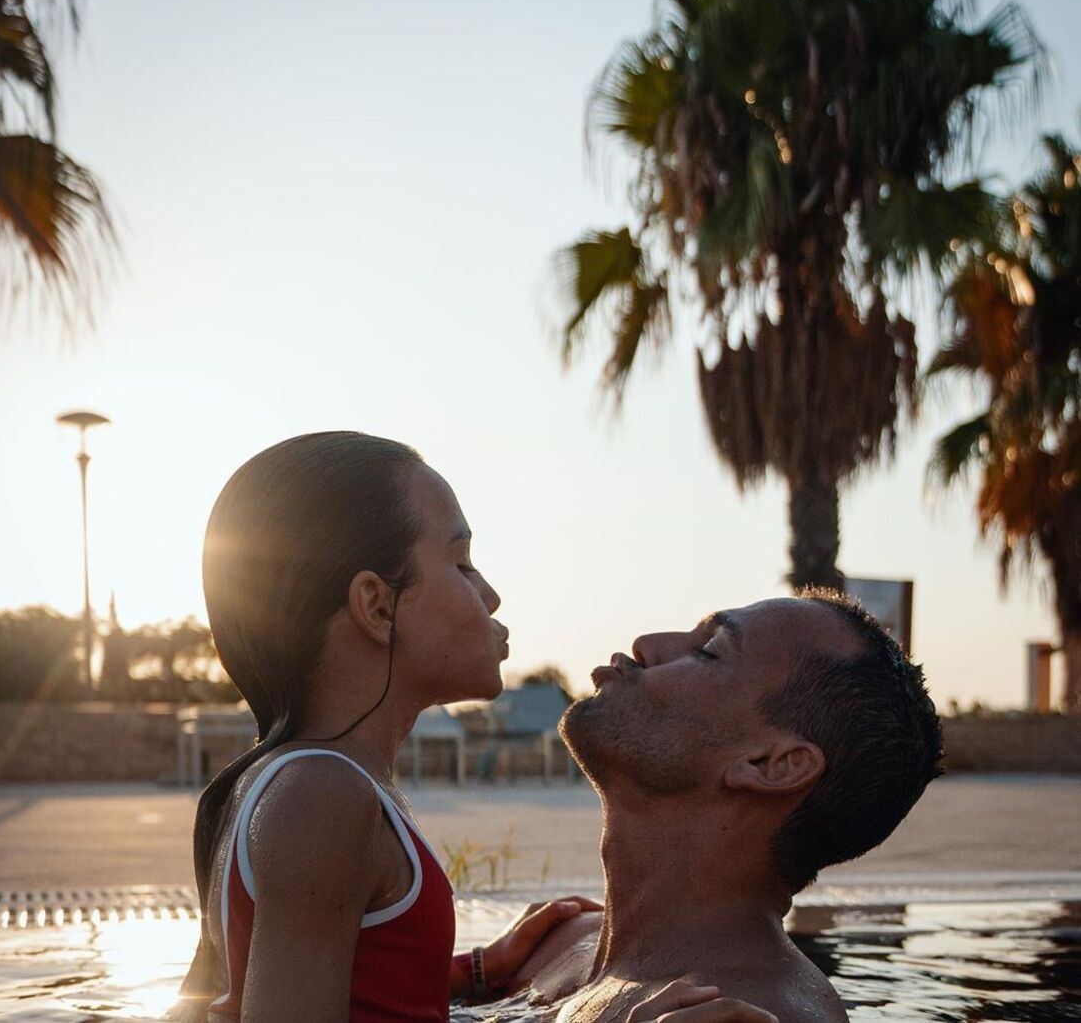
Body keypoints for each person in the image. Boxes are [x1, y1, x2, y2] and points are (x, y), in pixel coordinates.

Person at [175, 431, 771, 1023]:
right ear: (378, 607)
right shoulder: (322, 796)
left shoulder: (281, 784)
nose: (490, 595)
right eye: (462, 563)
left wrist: (473, 970)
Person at [509, 592, 944, 1023]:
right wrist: (458, 973)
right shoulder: (555, 944)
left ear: (772, 765)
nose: (647, 643)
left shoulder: (749, 1014)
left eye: (708, 651)